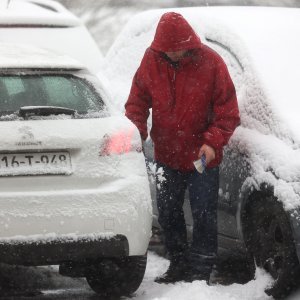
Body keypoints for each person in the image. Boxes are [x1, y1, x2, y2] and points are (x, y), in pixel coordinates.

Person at [125, 12, 240, 284]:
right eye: (168, 50)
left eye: (178, 49)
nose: (174, 54)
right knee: (167, 212)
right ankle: (177, 264)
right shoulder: (151, 60)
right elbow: (136, 104)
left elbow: (228, 112)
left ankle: (201, 270)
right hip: (166, 154)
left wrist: (212, 143)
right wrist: (136, 134)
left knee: (203, 213)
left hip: (202, 157)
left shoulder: (211, 62)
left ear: (189, 42)